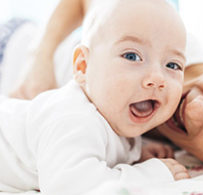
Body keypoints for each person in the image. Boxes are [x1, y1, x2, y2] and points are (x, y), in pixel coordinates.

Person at [0, 0, 190, 193]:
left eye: (172, 65)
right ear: (83, 66)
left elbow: (100, 148)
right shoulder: (73, 117)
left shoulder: (112, 115)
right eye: (132, 56)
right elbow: (70, 186)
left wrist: (135, 154)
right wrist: (150, 174)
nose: (157, 78)